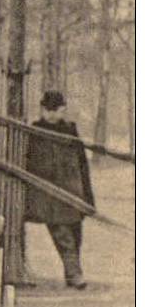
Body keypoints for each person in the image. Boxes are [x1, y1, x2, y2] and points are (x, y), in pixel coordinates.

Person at [23, 89, 94, 288]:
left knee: (75, 235)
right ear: (42, 110)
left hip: (73, 192)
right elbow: (27, 162)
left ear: (64, 109)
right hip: (49, 194)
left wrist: (87, 197)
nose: (52, 114)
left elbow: (82, 165)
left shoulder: (71, 131)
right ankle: (75, 275)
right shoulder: (34, 131)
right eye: (48, 110)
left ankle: (71, 274)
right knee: (63, 235)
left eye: (57, 110)